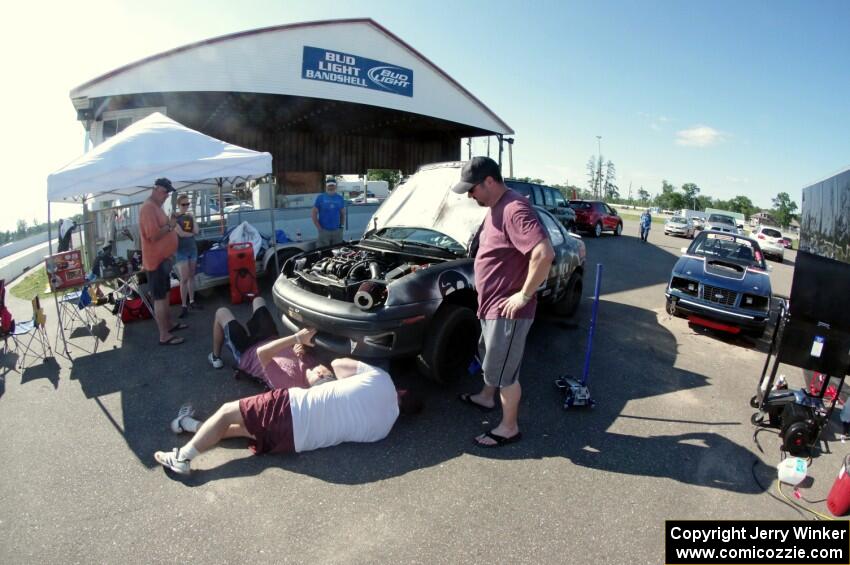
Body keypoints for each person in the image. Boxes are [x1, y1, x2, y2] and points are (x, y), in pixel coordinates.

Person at [154, 355, 423, 475]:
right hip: (296, 442)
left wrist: (333, 380)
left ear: (401, 391)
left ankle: (182, 457)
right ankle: (191, 425)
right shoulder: (385, 429)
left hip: (292, 408)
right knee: (243, 427)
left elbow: (338, 365)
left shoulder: (383, 379)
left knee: (227, 412)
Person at [451, 156, 555, 447]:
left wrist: (523, 295)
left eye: (472, 189)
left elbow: (543, 254)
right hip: (491, 304)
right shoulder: (496, 206)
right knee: (489, 357)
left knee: (506, 372)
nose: (470, 196)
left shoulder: (514, 208)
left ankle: (509, 427)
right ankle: (486, 397)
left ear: (489, 181)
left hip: (507, 312)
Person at [207, 296, 321, 391]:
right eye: (330, 375)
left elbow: (262, 353)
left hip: (247, 353)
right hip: (270, 339)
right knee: (258, 300)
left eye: (326, 377)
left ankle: (215, 356)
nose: (326, 373)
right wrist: (299, 348)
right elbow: (336, 363)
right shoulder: (314, 365)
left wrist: (297, 338)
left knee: (221, 312)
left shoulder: (291, 386)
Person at [139, 177, 186, 345]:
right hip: (156, 262)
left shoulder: (156, 207)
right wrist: (171, 225)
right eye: (165, 192)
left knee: (165, 295)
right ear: (156, 189)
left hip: (163, 260)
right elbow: (153, 235)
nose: (167, 195)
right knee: (159, 298)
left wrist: (169, 223)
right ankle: (164, 335)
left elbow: (162, 230)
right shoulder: (148, 208)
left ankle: (168, 325)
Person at [173, 194, 201, 318]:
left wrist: (193, 219)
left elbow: (197, 231)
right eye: (183, 204)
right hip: (181, 251)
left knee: (191, 276)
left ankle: (192, 301)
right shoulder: (174, 217)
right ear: (179, 205)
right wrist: (190, 233)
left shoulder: (189, 216)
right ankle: (183, 305)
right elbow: (181, 233)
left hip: (192, 249)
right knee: (183, 278)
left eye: (187, 204)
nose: (186, 206)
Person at [312, 178, 346, 247]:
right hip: (324, 231)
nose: (331, 187)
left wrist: (341, 226)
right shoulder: (320, 197)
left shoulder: (340, 198)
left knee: (337, 251)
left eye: (332, 185)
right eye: (329, 185)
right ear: (326, 186)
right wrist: (319, 228)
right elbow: (313, 214)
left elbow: (342, 213)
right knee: (322, 251)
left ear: (335, 186)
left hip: (337, 231)